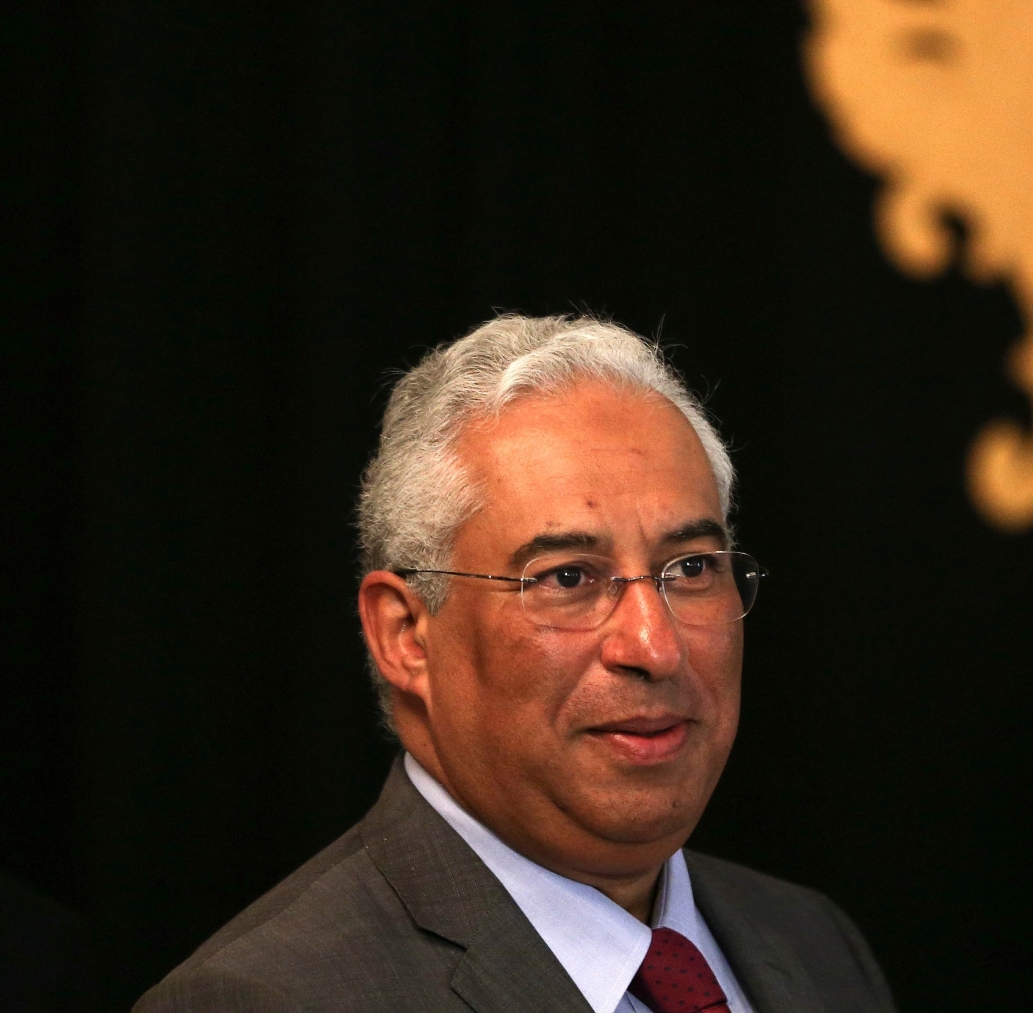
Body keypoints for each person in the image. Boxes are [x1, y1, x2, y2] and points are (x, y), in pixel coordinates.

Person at [137, 315, 896, 1013]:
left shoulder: (812, 944)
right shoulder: (267, 998)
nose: (654, 646)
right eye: (568, 577)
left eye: (691, 569)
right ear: (406, 634)